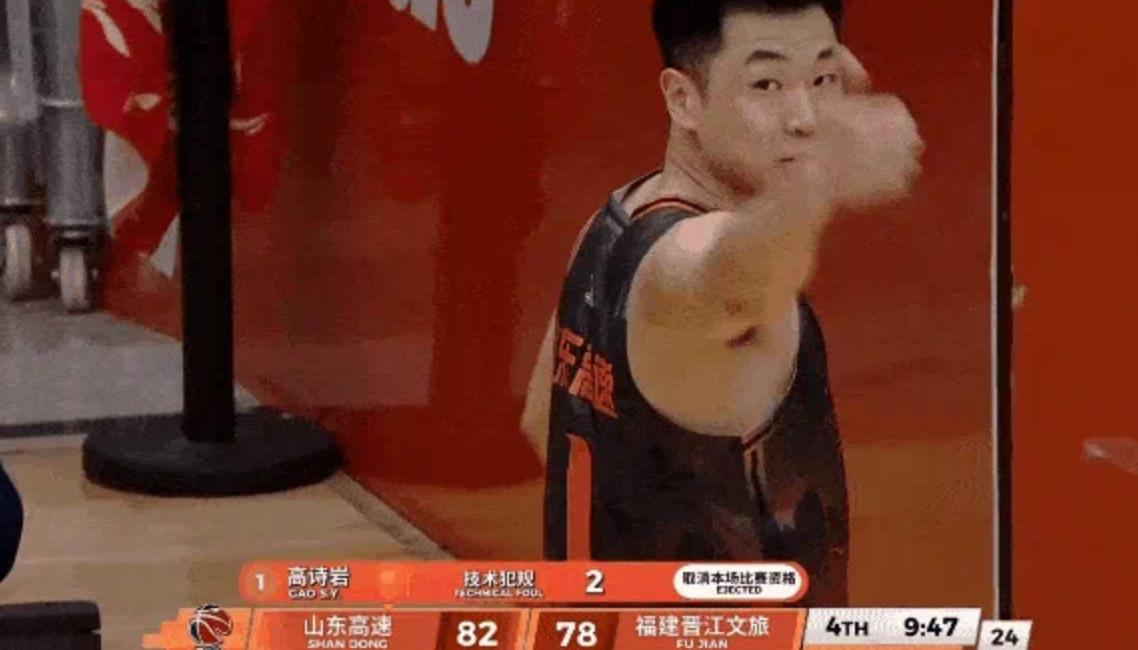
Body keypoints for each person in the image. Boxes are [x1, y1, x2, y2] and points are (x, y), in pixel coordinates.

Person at [520, 0, 922, 605]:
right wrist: (817, 186)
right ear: (683, 99)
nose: (804, 119)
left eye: (822, 78)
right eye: (766, 84)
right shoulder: (686, 263)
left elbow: (541, 422)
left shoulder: (612, 221)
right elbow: (732, 278)